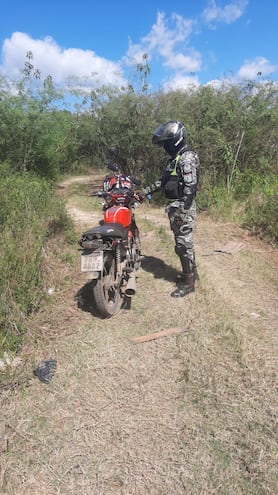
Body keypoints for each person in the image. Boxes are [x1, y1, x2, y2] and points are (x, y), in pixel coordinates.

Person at [143, 120, 200, 297]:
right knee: (183, 243)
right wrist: (145, 191)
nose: (164, 147)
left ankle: (189, 283)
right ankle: (191, 273)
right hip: (175, 208)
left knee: (183, 245)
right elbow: (163, 181)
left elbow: (191, 186)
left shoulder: (186, 158)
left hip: (182, 208)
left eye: (166, 143)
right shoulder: (174, 159)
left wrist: (184, 209)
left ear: (174, 140)